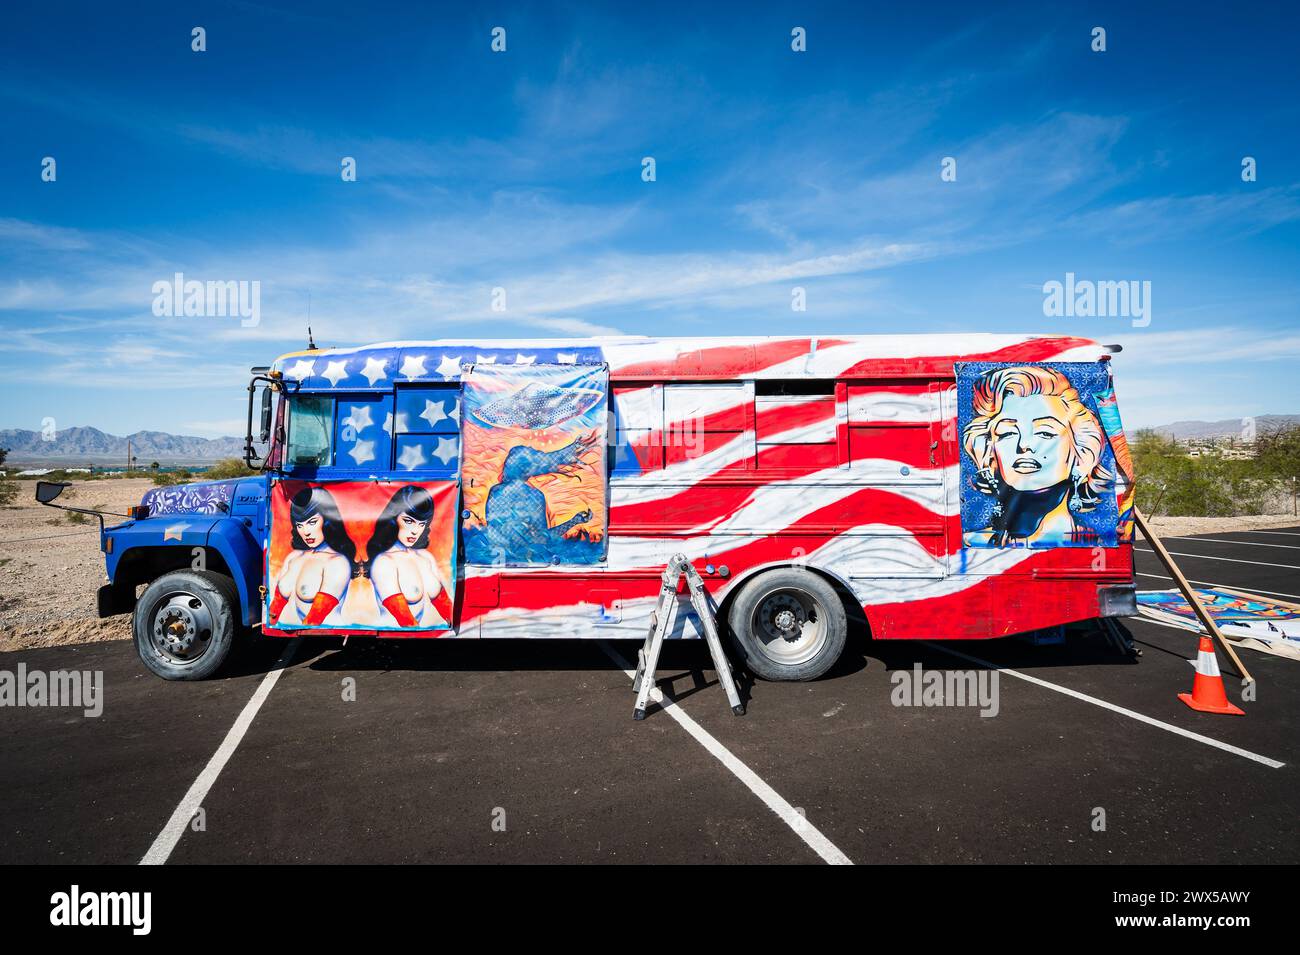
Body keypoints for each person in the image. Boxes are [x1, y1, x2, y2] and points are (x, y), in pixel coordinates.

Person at [962, 365, 1112, 546]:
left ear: (1082, 452)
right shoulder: (973, 541)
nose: (1024, 445)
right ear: (990, 452)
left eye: (1045, 433)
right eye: (1007, 433)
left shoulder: (1095, 543)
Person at [267, 486, 356, 625]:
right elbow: (274, 611)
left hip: (326, 634)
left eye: (312, 522)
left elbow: (314, 620)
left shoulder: (337, 563)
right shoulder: (294, 557)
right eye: (299, 525)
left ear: (328, 520)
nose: (306, 532)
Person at [366, 484, 449, 629]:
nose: (414, 531)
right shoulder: (384, 562)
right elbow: (405, 621)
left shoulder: (426, 557)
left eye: (421, 524)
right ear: (393, 518)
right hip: (395, 641)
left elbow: (447, 609)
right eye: (408, 521)